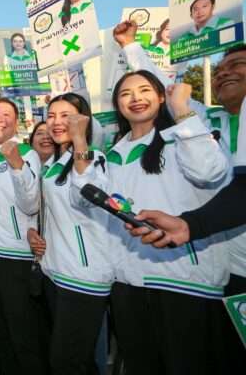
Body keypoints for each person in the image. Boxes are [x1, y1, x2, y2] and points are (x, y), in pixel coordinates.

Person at [76, 72, 231, 374]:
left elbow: (209, 171)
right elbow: (82, 197)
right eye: (126, 94)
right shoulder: (114, 153)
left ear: (161, 97)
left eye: (145, 90)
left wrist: (182, 109)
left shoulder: (182, 136)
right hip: (129, 283)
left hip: (185, 282)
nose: (135, 98)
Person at [36, 92, 112, 374]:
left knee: (68, 362)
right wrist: (36, 233)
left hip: (83, 277)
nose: (56, 122)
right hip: (55, 273)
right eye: (51, 116)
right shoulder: (53, 164)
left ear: (83, 120)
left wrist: (80, 139)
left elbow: (86, 197)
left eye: (65, 116)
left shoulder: (93, 156)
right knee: (71, 361)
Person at [0, 98, 46, 374]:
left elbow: (31, 204)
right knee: (0, 336)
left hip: (13, 257)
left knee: (23, 337)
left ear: (16, 122)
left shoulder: (26, 152)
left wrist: (17, 165)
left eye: (6, 114)